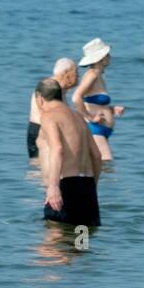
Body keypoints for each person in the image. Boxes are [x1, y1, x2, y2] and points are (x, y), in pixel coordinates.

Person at [36, 78, 102, 227]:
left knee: (53, 246)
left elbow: (58, 149)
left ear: (39, 98)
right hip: (87, 190)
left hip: (65, 188)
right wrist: (92, 187)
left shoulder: (49, 116)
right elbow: (97, 156)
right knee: (80, 246)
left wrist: (53, 187)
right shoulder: (79, 117)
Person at [72, 37, 125, 161]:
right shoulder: (92, 75)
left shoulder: (98, 75)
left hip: (101, 129)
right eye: (108, 54)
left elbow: (90, 101)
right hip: (95, 129)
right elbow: (76, 98)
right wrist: (90, 118)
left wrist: (111, 110)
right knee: (107, 164)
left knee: (100, 168)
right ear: (101, 58)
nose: (110, 57)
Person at [26, 57, 78, 159]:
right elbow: (50, 113)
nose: (77, 76)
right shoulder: (49, 88)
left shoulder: (59, 88)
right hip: (42, 130)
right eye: (75, 72)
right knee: (42, 165)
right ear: (66, 73)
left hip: (41, 128)